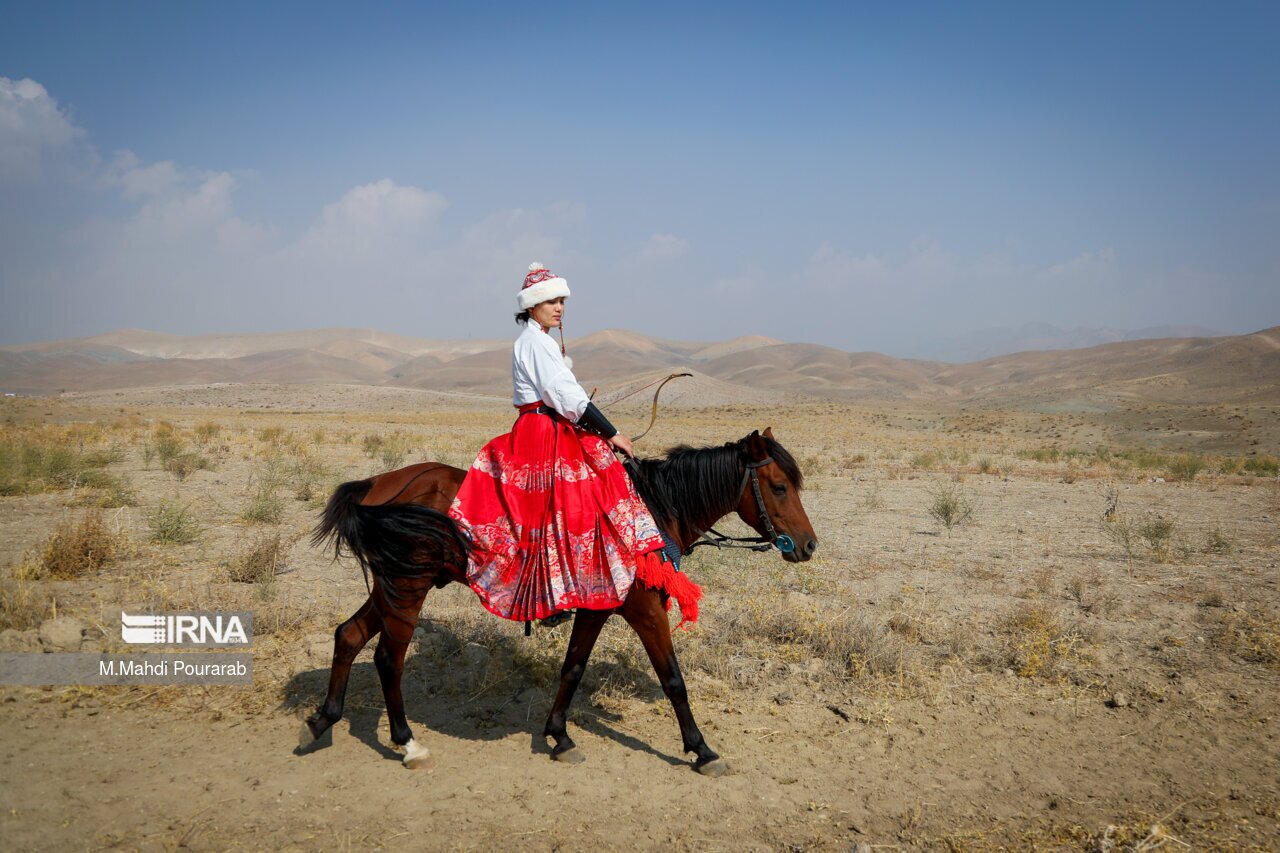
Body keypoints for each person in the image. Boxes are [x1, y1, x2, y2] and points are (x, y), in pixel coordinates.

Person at [447, 263, 668, 623]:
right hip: (541, 431)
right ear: (532, 306)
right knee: (570, 496)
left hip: (550, 425)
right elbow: (567, 396)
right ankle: (552, 591)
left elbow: (564, 396)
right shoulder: (536, 342)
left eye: (561, 300)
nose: (559, 307)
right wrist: (611, 433)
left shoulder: (540, 341)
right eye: (550, 301)